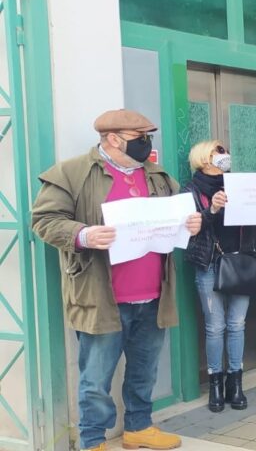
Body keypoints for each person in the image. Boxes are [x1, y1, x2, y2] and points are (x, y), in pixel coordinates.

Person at [31, 109, 202, 451]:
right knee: (95, 379)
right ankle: (92, 440)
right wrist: (83, 234)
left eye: (147, 137)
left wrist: (191, 225)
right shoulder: (73, 172)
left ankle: (138, 427)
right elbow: (44, 220)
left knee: (144, 369)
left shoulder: (157, 176)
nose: (146, 144)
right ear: (112, 138)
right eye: (139, 137)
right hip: (101, 298)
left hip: (153, 294)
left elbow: (175, 220)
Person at [181, 141, 253, 412]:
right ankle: (215, 384)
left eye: (224, 151)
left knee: (237, 324)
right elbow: (189, 227)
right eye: (217, 152)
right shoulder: (191, 189)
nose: (224, 156)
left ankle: (236, 383)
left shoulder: (238, 185)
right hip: (209, 264)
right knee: (215, 326)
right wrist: (211, 209)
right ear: (202, 159)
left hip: (241, 262)